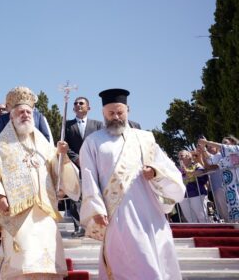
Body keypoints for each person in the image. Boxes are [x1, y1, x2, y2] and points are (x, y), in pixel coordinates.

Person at [0, 86, 80, 279]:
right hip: (17, 213)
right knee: (24, 261)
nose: (26, 115)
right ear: (11, 116)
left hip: (44, 212)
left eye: (29, 112)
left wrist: (62, 158)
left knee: (46, 262)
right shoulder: (0, 146)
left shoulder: (43, 145)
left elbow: (57, 172)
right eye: (21, 112)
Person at [80, 88, 185, 279]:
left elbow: (167, 168)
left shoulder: (145, 138)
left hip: (149, 212)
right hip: (116, 215)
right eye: (111, 113)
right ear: (103, 113)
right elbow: (88, 176)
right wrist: (96, 209)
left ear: (128, 110)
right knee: (128, 261)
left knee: (154, 258)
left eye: (120, 112)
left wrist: (155, 172)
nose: (116, 117)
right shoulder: (92, 142)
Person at [63, 96, 104, 237]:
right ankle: (79, 226)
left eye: (81, 103)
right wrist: (76, 159)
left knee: (95, 194)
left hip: (94, 165)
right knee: (76, 197)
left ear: (88, 107)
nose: (78, 105)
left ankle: (98, 224)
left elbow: (102, 144)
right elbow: (64, 145)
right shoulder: (67, 126)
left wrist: (91, 159)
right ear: (73, 108)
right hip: (75, 166)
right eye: (76, 103)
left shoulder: (98, 125)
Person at [198, 136, 239, 222]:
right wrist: (203, 148)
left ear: (233, 143)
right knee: (234, 212)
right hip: (230, 189)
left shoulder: (236, 149)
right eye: (222, 142)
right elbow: (210, 160)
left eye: (226, 142)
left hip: (237, 185)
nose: (223, 145)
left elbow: (221, 147)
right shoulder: (222, 157)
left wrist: (207, 142)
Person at [178, 150, 209, 223]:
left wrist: (188, 172)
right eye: (179, 157)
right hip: (184, 196)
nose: (180, 158)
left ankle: (208, 233)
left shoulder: (196, 165)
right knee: (190, 219)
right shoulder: (178, 169)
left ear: (189, 156)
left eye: (182, 155)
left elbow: (201, 172)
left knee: (202, 217)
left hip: (197, 193)